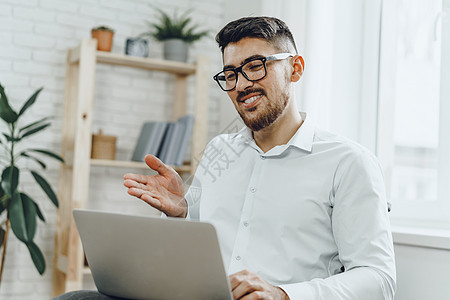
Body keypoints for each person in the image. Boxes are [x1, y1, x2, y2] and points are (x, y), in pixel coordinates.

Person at [55, 16, 396, 300]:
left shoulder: (349, 162)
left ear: (295, 68)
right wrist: (182, 212)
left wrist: (283, 294)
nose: (241, 84)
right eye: (230, 74)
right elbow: (198, 246)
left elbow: (379, 278)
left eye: (255, 67)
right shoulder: (221, 150)